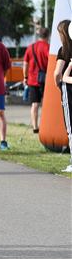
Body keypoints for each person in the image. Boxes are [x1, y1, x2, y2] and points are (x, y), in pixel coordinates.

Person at [23, 27, 50, 133]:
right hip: (45, 80)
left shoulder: (31, 47)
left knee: (35, 104)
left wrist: (25, 77)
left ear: (39, 35)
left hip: (32, 80)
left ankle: (35, 127)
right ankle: (46, 126)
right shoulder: (48, 47)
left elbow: (25, 64)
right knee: (46, 104)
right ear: (48, 35)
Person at [55, 20, 72, 173]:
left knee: (70, 127)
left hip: (68, 89)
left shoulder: (64, 50)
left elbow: (57, 73)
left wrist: (58, 84)